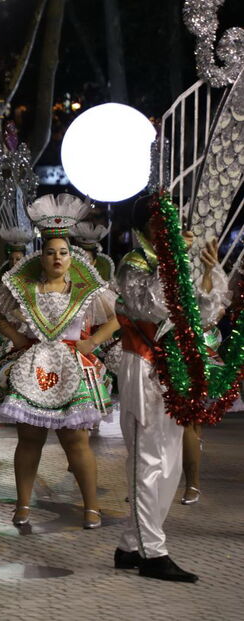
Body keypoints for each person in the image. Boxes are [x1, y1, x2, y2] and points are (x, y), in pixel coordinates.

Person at [0, 194, 119, 529]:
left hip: (73, 368)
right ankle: (23, 504)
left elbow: (118, 316)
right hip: (33, 368)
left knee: (77, 442)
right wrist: (15, 337)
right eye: (51, 252)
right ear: (40, 257)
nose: (57, 257)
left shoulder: (87, 288)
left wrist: (92, 341)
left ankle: (91, 507)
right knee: (30, 439)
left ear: (71, 257)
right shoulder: (25, 287)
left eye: (63, 252)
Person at [113, 196, 227, 582]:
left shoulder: (178, 260)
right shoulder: (135, 263)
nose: (174, 228)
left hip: (176, 368)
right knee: (147, 461)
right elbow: (150, 308)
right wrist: (171, 260)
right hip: (144, 366)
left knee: (170, 463)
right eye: (163, 222)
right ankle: (153, 553)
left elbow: (205, 315)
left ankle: (131, 545)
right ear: (147, 227)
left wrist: (208, 273)